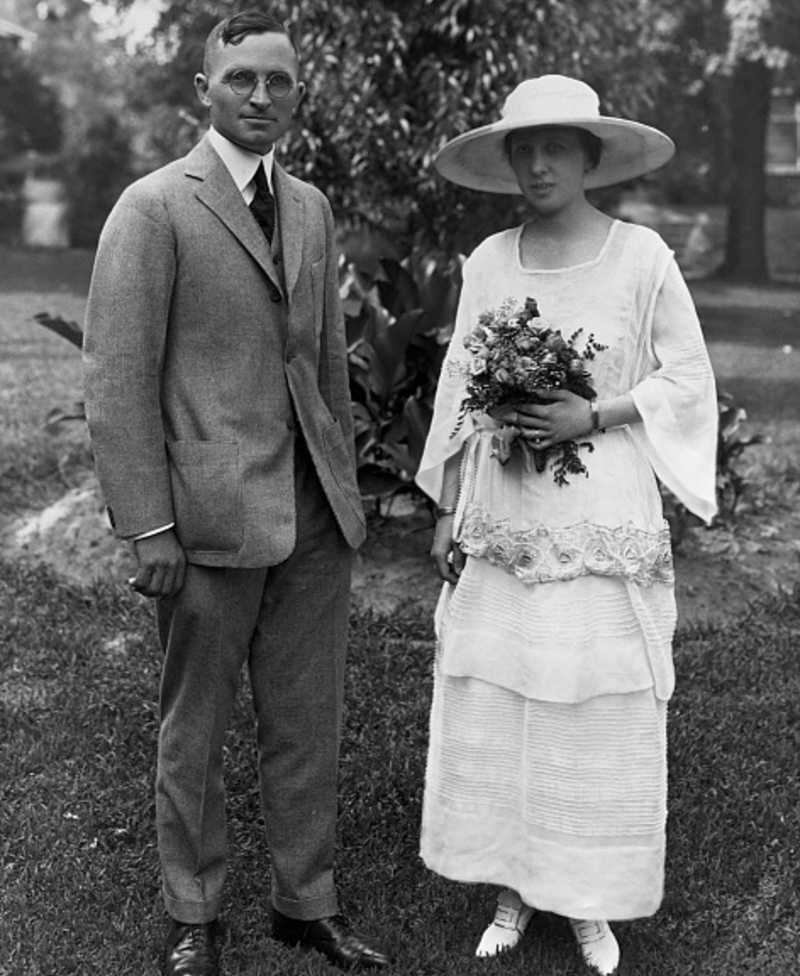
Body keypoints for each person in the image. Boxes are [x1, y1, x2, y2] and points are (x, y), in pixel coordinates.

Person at [82, 10, 392, 976]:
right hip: (206, 519)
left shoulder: (309, 207)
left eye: (279, 81)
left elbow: (327, 367)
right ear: (203, 93)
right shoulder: (154, 206)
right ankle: (196, 915)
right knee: (197, 726)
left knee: (308, 720)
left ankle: (307, 904)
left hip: (309, 513)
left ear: (297, 93)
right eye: (241, 80)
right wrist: (149, 526)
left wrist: (342, 489)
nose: (261, 97)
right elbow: (118, 377)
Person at [416, 75, 718, 975]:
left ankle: (588, 899)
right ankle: (512, 889)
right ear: (508, 160)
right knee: (509, 689)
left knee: (591, 695)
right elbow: (460, 397)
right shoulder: (488, 262)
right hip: (506, 510)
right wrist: (446, 508)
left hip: (598, 508)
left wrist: (598, 413)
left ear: (591, 156)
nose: (540, 162)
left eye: (558, 146)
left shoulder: (642, 257)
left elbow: (689, 377)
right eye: (525, 147)